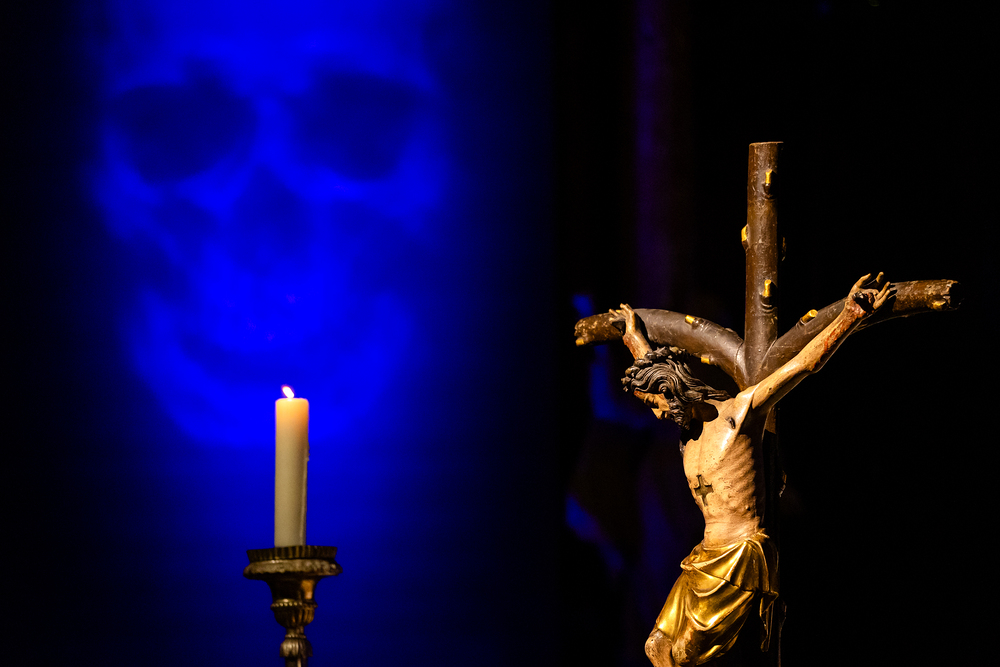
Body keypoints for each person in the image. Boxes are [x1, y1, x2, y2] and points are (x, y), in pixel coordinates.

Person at [617, 274, 891, 667]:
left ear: (670, 390)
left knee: (683, 654)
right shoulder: (687, 431)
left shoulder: (740, 413)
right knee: (654, 647)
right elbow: (654, 371)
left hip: (739, 556)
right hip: (703, 557)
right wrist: (634, 338)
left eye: (655, 404)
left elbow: (803, 365)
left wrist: (850, 316)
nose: (657, 414)